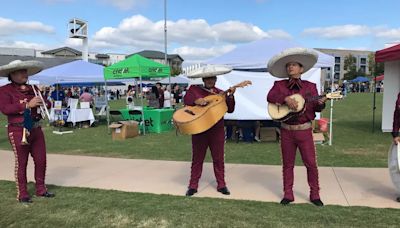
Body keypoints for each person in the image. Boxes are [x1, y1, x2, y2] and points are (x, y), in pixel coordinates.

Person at [267, 48, 327, 206]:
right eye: (288, 65)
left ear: (301, 69)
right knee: (287, 164)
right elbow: (270, 97)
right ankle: (288, 194)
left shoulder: (310, 87)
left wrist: (321, 104)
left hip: (304, 131)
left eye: (294, 65)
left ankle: (314, 194)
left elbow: (316, 108)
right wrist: (285, 98)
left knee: (311, 163)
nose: (290, 67)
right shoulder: (279, 85)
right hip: (286, 130)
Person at [0, 60, 55, 203]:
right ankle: (23, 194)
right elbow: (5, 109)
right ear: (12, 74)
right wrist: (27, 105)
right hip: (18, 130)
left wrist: (46, 102)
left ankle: (41, 189)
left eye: (25, 71)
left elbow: (46, 103)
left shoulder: (33, 88)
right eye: (20, 71)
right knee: (21, 163)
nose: (24, 74)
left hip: (36, 128)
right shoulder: (4, 90)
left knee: (41, 161)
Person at [184, 65, 235, 196]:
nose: (210, 80)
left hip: (216, 130)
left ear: (216, 79)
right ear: (203, 79)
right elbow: (187, 100)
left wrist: (230, 97)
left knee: (218, 158)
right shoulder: (194, 89)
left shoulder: (220, 93)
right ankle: (193, 185)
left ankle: (221, 184)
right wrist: (196, 100)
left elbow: (230, 109)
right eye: (207, 78)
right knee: (197, 159)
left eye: (212, 78)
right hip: (199, 129)